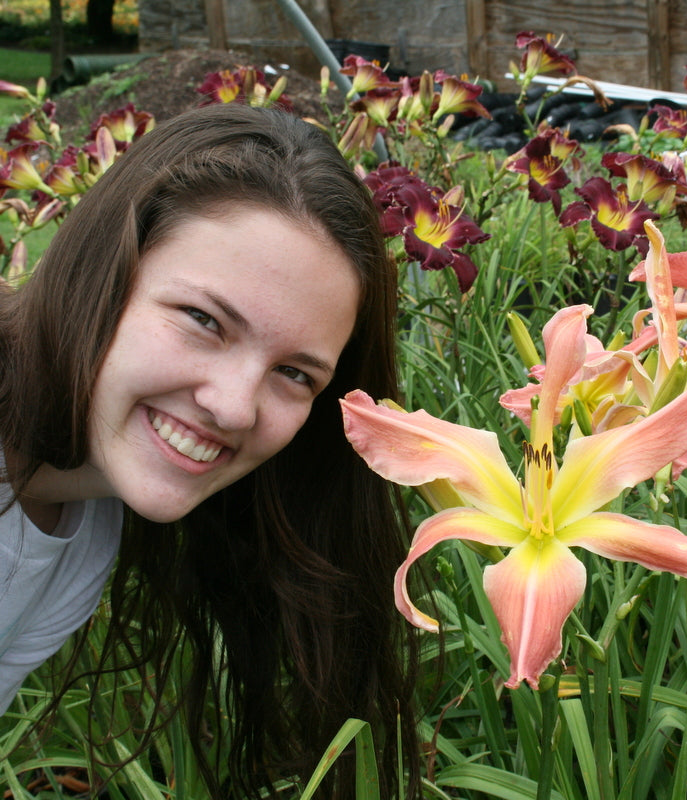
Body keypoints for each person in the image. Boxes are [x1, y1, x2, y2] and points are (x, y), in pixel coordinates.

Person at [0, 103, 419, 798]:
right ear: (100, 270)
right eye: (203, 320)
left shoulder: (81, 524)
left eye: (294, 374)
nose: (233, 405)